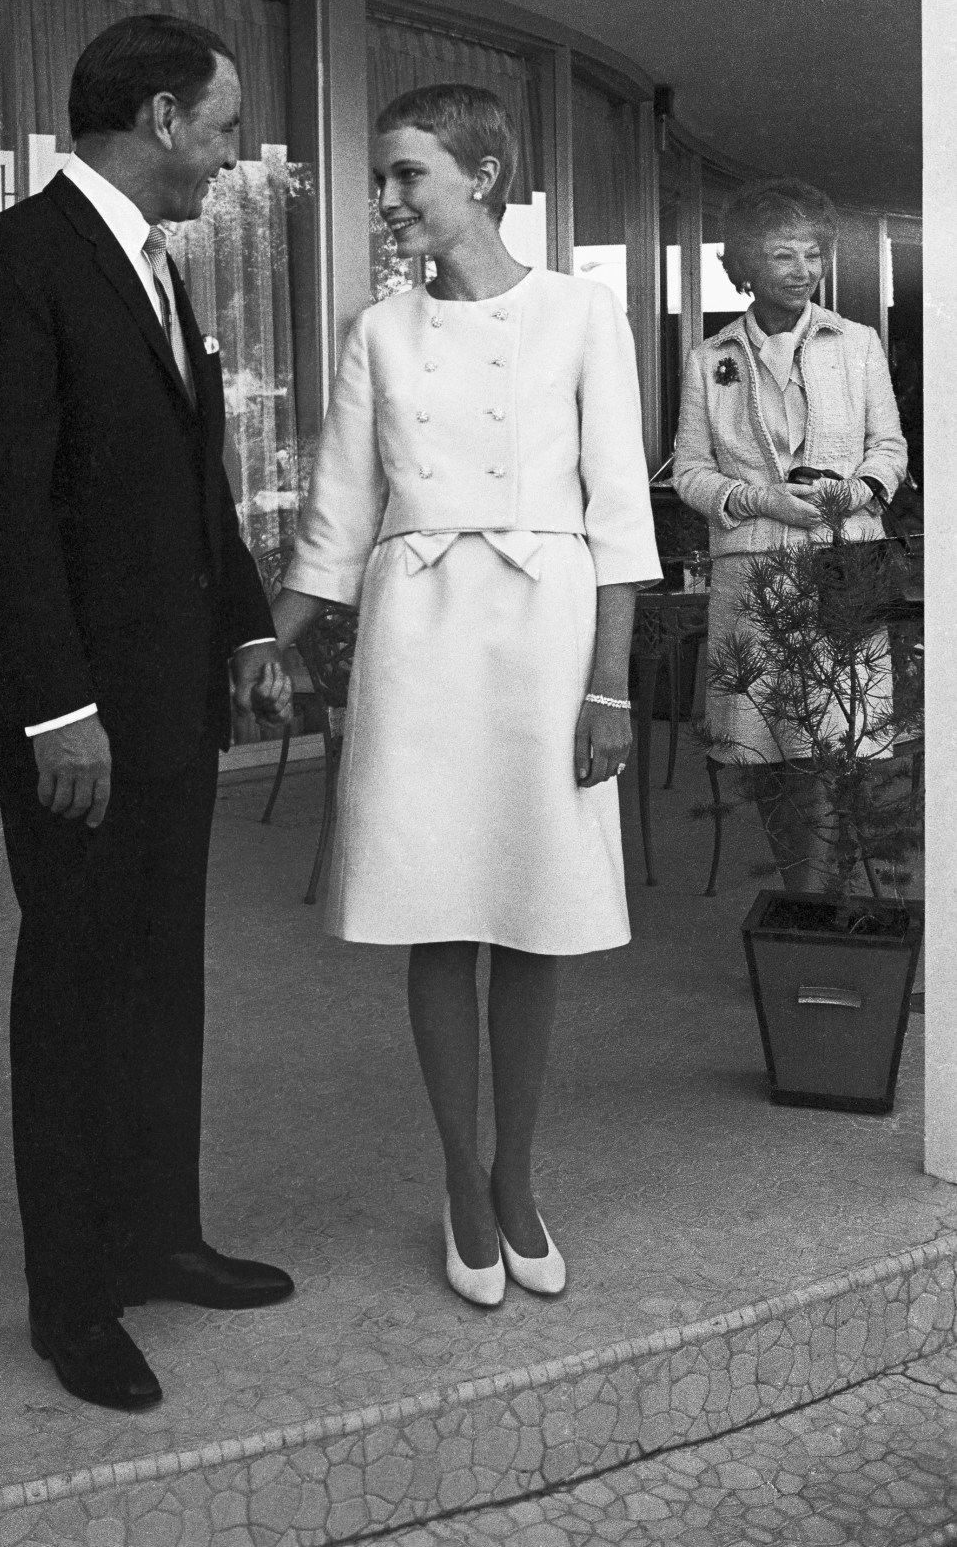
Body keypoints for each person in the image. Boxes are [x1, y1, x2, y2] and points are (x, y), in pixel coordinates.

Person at [0, 14, 296, 1413]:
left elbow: (185, 482)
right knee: (79, 992)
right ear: (155, 117)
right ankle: (71, 1297)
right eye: (220, 124)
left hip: (168, 708)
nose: (229, 152)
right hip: (79, 722)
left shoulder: (153, 269)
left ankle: (156, 1232)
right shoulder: (16, 261)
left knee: (158, 975)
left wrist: (248, 624)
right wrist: (56, 707)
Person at [271, 84, 660, 1307]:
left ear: (482, 176)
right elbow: (338, 514)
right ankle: (456, 1179)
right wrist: (263, 643)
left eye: (405, 176)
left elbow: (621, 516)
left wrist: (610, 690)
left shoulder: (583, 314)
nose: (386, 201)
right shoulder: (377, 332)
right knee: (438, 908)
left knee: (535, 908)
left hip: (547, 634)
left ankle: (519, 1176)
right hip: (419, 636)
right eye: (383, 179)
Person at [673, 178, 907, 888]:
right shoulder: (711, 358)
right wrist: (758, 497)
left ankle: (823, 903)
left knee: (836, 741)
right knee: (764, 747)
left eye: (812, 253)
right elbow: (688, 471)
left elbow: (889, 450)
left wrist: (852, 492)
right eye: (782, 254)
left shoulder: (855, 342)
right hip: (752, 572)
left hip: (843, 563)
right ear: (747, 261)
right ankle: (801, 893)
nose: (802, 269)